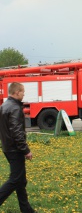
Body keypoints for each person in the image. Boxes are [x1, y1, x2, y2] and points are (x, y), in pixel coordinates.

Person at [0, 82, 35, 212]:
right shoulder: (14, 108)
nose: (24, 94)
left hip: (7, 147)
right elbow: (16, 131)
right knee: (15, 180)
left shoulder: (4, 105)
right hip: (15, 149)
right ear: (16, 92)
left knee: (20, 180)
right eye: (22, 91)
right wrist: (25, 150)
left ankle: (26, 210)